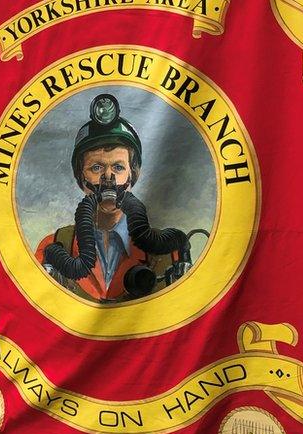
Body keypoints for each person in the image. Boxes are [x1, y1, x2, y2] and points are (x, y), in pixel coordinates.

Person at [34, 93, 190, 303]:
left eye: (118, 167)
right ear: (81, 176)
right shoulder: (54, 247)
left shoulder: (168, 252)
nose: (108, 178)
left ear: (132, 174)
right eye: (96, 167)